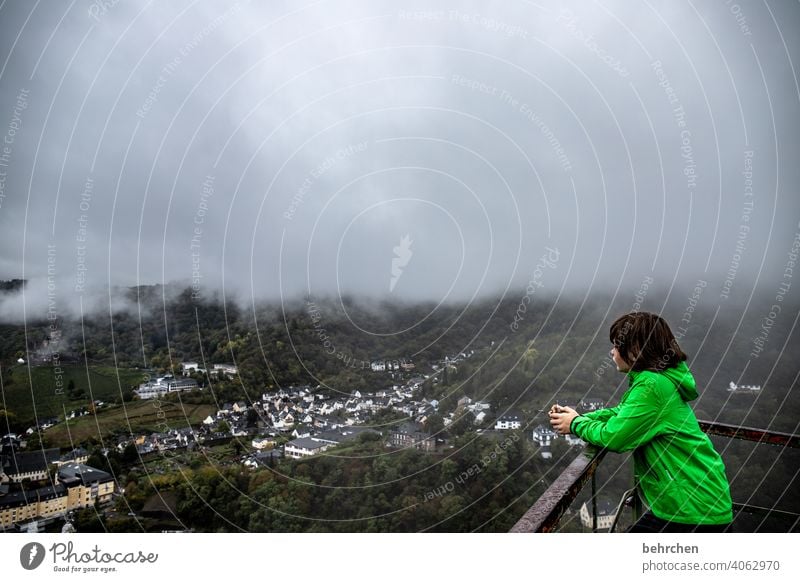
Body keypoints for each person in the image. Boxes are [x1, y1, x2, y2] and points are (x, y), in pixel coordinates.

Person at [549, 311, 733, 532]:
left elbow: (614, 437)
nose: (612, 351)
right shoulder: (658, 379)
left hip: (692, 508)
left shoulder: (651, 386)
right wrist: (581, 417)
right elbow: (624, 413)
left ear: (635, 350)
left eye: (616, 345)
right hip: (691, 501)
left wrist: (576, 424)